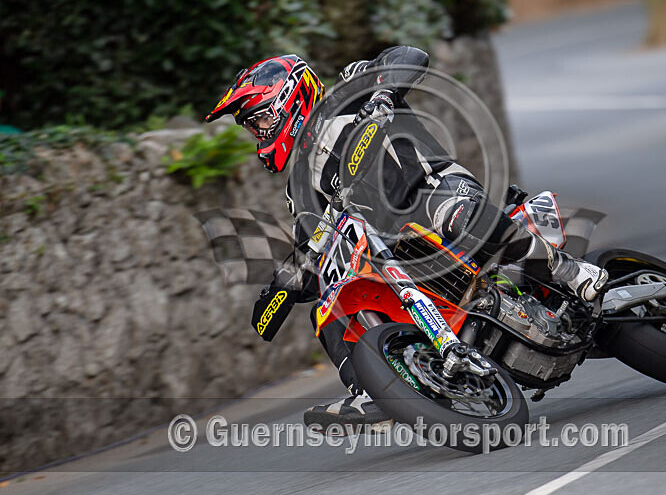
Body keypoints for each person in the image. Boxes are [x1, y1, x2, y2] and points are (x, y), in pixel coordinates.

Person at [205, 47, 608, 429]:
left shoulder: (349, 92)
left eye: (259, 121)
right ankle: (374, 393)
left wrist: (381, 94)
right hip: (395, 252)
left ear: (287, 101)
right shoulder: (299, 187)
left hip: (437, 192)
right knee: (327, 307)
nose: (257, 133)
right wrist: (286, 284)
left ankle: (569, 272)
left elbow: (409, 57)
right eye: (252, 126)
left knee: (451, 215)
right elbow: (311, 246)